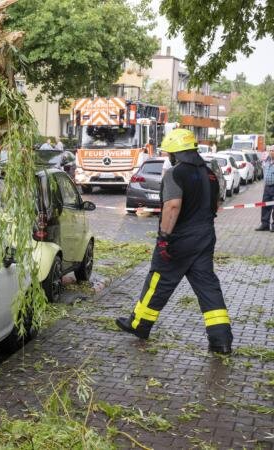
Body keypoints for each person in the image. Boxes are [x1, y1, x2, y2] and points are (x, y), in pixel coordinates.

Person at [115, 129, 233, 354]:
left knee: (158, 281)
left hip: (178, 241)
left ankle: (139, 325)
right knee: (208, 288)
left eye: (170, 152)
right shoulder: (210, 174)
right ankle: (221, 341)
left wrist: (164, 238)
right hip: (205, 238)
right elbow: (215, 206)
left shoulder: (175, 174)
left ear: (177, 153)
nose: (169, 156)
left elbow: (172, 206)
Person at [255, 146, 274, 231]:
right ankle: (265, 224)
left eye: (273, 151)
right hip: (267, 187)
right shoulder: (266, 160)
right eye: (270, 150)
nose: (272, 152)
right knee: (265, 205)